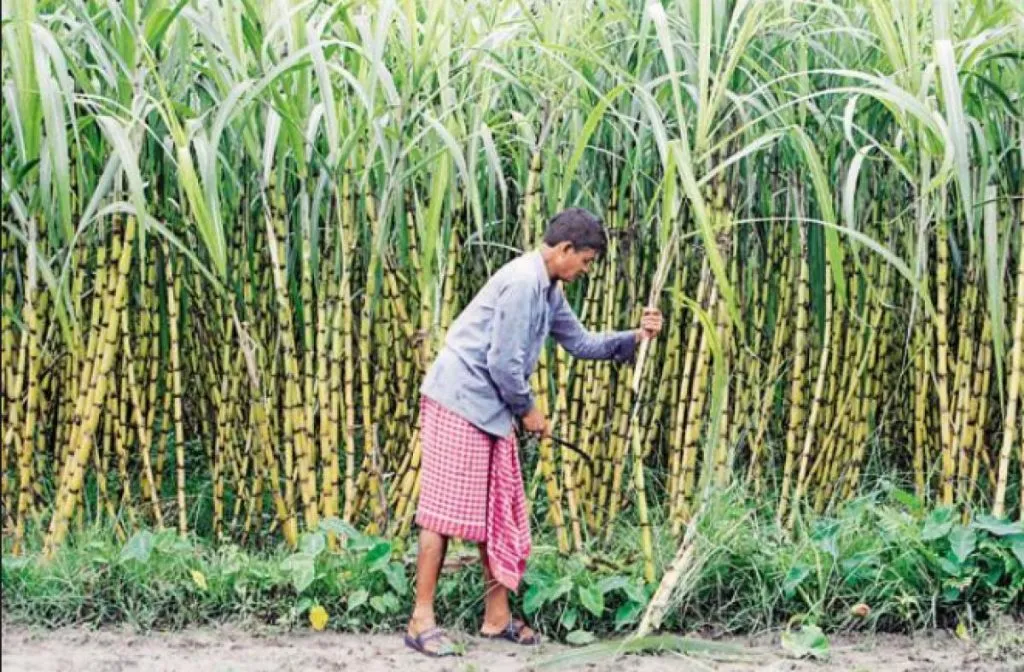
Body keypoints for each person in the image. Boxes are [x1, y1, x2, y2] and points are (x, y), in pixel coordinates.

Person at [403, 207, 664, 657]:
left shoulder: (549, 289)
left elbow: (579, 343)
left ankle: (496, 616)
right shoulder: (524, 282)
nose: (586, 270)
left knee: (495, 507)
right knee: (441, 513)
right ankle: (420, 619)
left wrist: (636, 337)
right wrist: (528, 411)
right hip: (458, 399)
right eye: (585, 261)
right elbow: (501, 363)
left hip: (489, 407)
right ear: (564, 250)